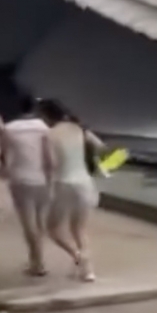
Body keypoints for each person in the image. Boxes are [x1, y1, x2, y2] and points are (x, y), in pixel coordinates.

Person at [39, 99, 105, 281]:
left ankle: (76, 255)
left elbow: (51, 164)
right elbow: (100, 146)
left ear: (46, 116)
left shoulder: (49, 134)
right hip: (84, 182)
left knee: (52, 228)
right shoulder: (79, 128)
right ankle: (88, 271)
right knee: (80, 230)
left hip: (63, 184)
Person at [1, 96, 53, 277]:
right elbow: (49, 158)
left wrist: (6, 173)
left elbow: (6, 156)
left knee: (29, 224)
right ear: (35, 108)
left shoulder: (9, 128)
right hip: (41, 179)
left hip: (20, 179)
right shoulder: (44, 128)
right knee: (40, 222)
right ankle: (37, 259)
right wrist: (50, 180)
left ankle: (37, 262)